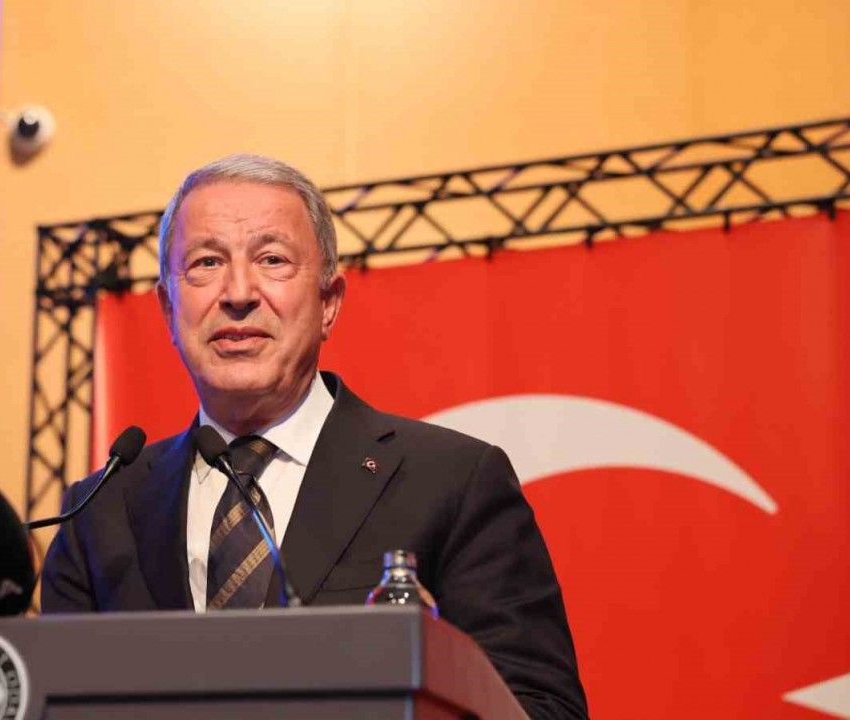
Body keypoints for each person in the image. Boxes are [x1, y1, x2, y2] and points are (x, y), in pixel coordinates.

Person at [41, 154, 588, 719]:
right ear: (167, 308)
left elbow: (541, 708)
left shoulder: (453, 483)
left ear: (329, 304)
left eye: (272, 260)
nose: (238, 292)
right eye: (206, 263)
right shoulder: (99, 510)